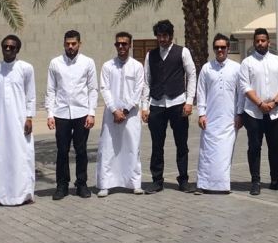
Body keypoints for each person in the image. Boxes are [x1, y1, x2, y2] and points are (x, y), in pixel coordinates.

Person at [141, 19, 197, 193]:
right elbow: (146, 82)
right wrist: (145, 106)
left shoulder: (183, 52)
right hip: (157, 104)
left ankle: (183, 180)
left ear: (171, 36)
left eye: (165, 36)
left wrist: (189, 101)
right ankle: (157, 181)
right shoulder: (151, 55)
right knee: (157, 145)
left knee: (182, 144)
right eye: (159, 36)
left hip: (178, 103)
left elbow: (192, 75)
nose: (162, 39)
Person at [0, 34, 36, 207]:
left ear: (17, 49)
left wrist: (29, 117)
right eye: (5, 46)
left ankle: (22, 194)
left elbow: (31, 95)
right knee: (0, 156)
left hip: (20, 121)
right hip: (0, 121)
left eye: (12, 47)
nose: (8, 49)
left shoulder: (26, 68)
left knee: (21, 155)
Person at [46, 30, 99, 200]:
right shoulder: (55, 63)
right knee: (62, 150)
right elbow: (50, 90)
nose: (70, 46)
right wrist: (50, 113)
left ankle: (81, 184)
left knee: (81, 150)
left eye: (73, 43)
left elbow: (93, 89)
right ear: (64, 44)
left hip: (82, 113)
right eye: (67, 43)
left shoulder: (88, 62)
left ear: (79, 44)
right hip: (61, 113)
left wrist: (91, 113)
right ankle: (62, 185)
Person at [239, 27, 278, 196]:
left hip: (276, 113)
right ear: (254, 42)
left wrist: (275, 102)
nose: (260, 43)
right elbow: (245, 87)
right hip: (253, 113)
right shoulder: (247, 63)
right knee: (254, 147)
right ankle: (255, 181)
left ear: (269, 42)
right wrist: (260, 103)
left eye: (263, 40)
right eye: (257, 41)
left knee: (275, 147)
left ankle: (275, 180)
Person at [95, 32, 145, 197]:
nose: (121, 47)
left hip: (130, 115)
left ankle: (134, 183)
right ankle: (105, 184)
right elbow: (104, 88)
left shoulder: (137, 66)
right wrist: (114, 110)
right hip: (111, 115)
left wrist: (125, 111)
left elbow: (139, 90)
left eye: (124, 44)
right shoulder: (108, 66)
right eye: (118, 44)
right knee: (108, 147)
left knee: (132, 147)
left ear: (130, 45)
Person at [195, 34, 242, 194]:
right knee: (207, 153)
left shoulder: (236, 68)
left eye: (223, 47)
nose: (220, 50)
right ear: (214, 49)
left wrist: (239, 114)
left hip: (229, 119)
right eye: (217, 47)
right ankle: (203, 185)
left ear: (228, 48)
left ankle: (222, 186)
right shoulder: (206, 68)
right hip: (210, 118)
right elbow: (201, 92)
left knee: (224, 154)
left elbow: (241, 93)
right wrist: (201, 113)